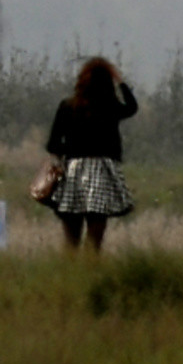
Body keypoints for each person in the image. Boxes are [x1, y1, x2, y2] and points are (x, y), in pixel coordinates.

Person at [46, 57, 139, 251]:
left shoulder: (68, 106)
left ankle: (70, 275)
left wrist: (72, 150)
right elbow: (132, 107)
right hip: (102, 171)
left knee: (71, 239)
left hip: (73, 172)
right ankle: (91, 271)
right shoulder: (111, 107)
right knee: (95, 237)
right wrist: (120, 79)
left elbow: (53, 144)